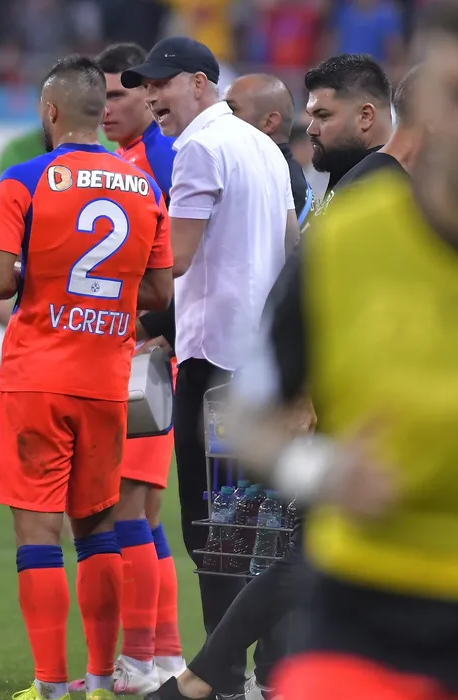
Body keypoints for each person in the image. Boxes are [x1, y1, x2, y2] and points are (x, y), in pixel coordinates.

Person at [226, 7, 458, 697]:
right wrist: (317, 469)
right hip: (363, 608)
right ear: (420, 106)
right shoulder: (347, 241)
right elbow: (245, 415)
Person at [0, 54, 174, 700]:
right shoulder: (143, 188)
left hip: (36, 375)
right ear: (100, 111)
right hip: (106, 380)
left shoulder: (23, 180)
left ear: (50, 111)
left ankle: (49, 685)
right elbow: (158, 290)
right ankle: (97, 681)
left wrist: (32, 275)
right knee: (97, 531)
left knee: (38, 533)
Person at [121, 36, 298, 697]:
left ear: (199, 83)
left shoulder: (199, 146)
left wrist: (100, 280)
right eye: (144, 87)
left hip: (217, 367)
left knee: (214, 538)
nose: (150, 98)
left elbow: (176, 257)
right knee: (263, 533)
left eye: (159, 85)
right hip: (263, 367)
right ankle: (273, 676)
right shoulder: (264, 147)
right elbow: (290, 249)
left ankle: (218, 678)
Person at [65, 41, 183, 696]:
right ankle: (163, 654)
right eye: (100, 96)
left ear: (148, 94)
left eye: (118, 94)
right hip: (133, 355)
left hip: (146, 356)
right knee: (142, 514)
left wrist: (157, 330)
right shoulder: (126, 163)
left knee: (127, 510)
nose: (106, 107)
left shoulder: (160, 161)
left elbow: (180, 265)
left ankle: (136, 661)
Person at [303, 54, 393, 214]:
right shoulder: (346, 172)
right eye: (311, 116)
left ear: (365, 116)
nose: (311, 130)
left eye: (323, 116)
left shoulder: (379, 191)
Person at [222, 74, 312, 223]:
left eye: (231, 109)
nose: (219, 116)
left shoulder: (277, 185)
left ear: (269, 122)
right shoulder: (277, 174)